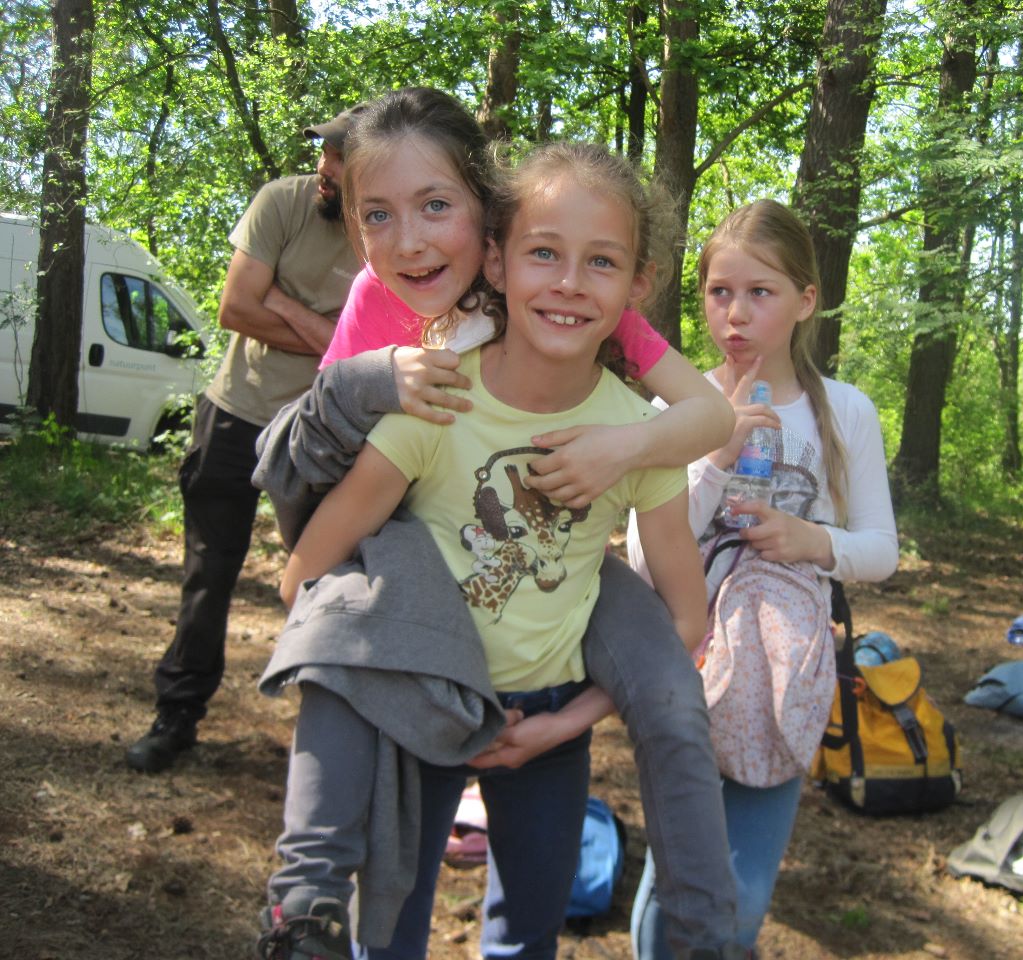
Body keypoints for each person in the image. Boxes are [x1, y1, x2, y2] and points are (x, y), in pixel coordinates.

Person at [252, 88, 744, 960]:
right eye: (543, 254)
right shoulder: (427, 379)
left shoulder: (621, 378)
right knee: (389, 928)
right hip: (425, 690)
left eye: (435, 205)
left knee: (532, 930)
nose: (566, 280)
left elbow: (702, 442)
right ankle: (306, 903)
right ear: (502, 260)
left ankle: (707, 935)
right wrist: (343, 619)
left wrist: (623, 449)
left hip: (548, 709)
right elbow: (314, 510)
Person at [627, 199, 899, 957]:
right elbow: (648, 560)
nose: (735, 314)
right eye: (719, 292)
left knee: (742, 901)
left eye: (760, 292)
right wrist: (714, 453)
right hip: (685, 671)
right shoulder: (674, 404)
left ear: (806, 300)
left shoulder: (843, 412)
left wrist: (811, 539)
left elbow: (881, 549)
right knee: (676, 884)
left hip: (785, 676)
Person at [124, 105, 366, 774]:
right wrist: (312, 322)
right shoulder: (281, 202)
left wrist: (279, 303)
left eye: (342, 156)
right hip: (234, 414)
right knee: (209, 576)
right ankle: (176, 715)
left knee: (329, 582)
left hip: (324, 434)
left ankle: (336, 737)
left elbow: (357, 354)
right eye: (325, 150)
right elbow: (236, 308)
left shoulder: (385, 240)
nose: (327, 166)